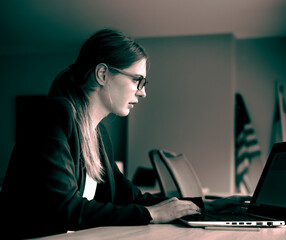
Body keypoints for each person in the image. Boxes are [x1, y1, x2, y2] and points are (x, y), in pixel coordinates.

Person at [0, 29, 202, 239]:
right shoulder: (55, 115)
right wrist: (150, 214)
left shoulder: (99, 135)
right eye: (137, 80)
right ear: (103, 74)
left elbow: (129, 196)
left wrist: (201, 206)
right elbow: (64, 208)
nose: (143, 92)